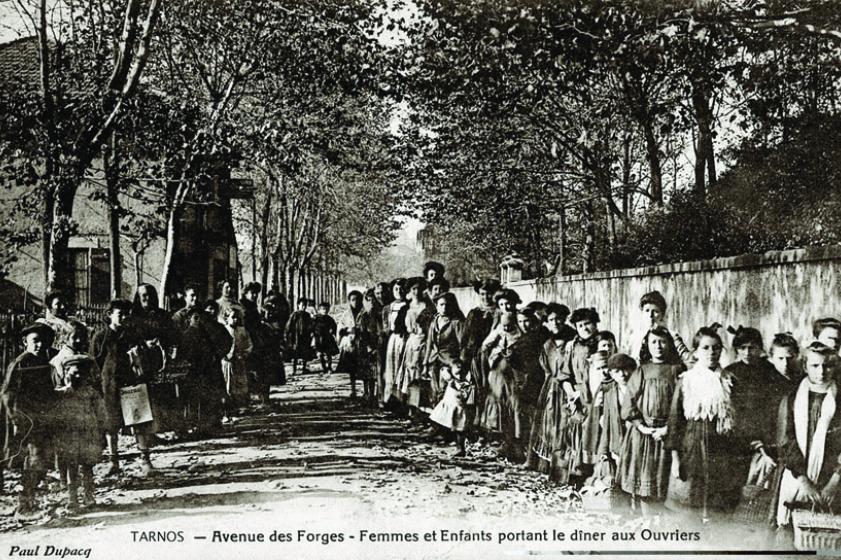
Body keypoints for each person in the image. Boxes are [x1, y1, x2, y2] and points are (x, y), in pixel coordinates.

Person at [665, 326, 740, 518]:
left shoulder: (730, 381)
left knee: (719, 509)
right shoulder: (687, 381)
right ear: (696, 352)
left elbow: (737, 421)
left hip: (721, 450)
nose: (711, 352)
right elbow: (675, 422)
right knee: (691, 509)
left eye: (716, 348)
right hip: (693, 447)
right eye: (705, 348)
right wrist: (675, 460)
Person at [776, 342, 841, 527]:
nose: (821, 371)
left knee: (828, 534)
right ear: (805, 366)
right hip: (798, 475)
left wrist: (835, 480)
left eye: (827, 365)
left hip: (834, 478)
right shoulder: (792, 397)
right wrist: (803, 480)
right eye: (815, 365)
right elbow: (785, 440)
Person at [619, 327, 684, 513]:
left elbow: (682, 404)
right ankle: (647, 522)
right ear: (647, 344)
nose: (658, 346)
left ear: (669, 344)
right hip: (644, 435)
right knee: (645, 480)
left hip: (668, 434)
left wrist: (668, 429)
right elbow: (629, 403)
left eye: (662, 341)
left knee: (664, 481)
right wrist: (643, 428)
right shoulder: (641, 371)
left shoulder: (676, 370)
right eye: (654, 342)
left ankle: (663, 524)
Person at [726, 327, 796, 491]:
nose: (747, 352)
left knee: (759, 483)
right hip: (737, 434)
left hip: (763, 435)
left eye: (752, 347)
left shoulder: (771, 370)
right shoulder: (730, 372)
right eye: (742, 348)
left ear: (760, 348)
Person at [2, 323, 58, 521]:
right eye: (35, 341)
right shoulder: (20, 363)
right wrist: (16, 418)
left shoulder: (43, 361)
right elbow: (8, 394)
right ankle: (25, 505)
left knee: (41, 459)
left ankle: (29, 499)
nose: (39, 344)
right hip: (25, 420)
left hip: (42, 418)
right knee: (33, 458)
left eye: (43, 341)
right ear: (25, 342)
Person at [528, 303, 580, 478]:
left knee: (565, 426)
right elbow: (546, 369)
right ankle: (546, 465)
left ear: (565, 320)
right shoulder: (547, 344)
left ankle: (565, 470)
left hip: (568, 388)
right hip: (551, 388)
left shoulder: (573, 341)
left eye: (559, 319)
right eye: (551, 320)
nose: (555, 322)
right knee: (549, 424)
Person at [52, 355, 105, 512]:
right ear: (66, 372)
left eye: (82, 373)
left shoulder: (91, 393)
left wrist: (102, 431)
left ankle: (89, 495)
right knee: (71, 466)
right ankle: (72, 498)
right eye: (74, 373)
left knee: (87, 465)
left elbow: (101, 413)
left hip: (88, 433)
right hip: (69, 435)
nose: (78, 376)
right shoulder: (61, 393)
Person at [90, 299, 133, 476]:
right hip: (109, 386)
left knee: (138, 421)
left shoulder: (130, 335)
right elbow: (94, 363)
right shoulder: (101, 337)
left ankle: (146, 460)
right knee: (111, 424)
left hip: (130, 383)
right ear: (110, 315)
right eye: (119, 314)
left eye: (125, 314)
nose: (123, 317)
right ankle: (113, 461)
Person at [562, 307, 601, 483]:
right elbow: (565, 376)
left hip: (597, 395)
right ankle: (578, 474)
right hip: (578, 398)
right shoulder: (572, 346)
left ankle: (597, 476)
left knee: (596, 434)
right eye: (580, 325)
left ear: (595, 324)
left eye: (588, 324)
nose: (585, 328)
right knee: (578, 434)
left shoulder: (604, 343)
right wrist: (571, 394)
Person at [502, 308, 545, 463]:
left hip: (535, 382)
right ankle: (519, 452)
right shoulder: (520, 339)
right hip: (521, 381)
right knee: (518, 416)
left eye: (526, 320)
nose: (524, 324)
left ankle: (532, 456)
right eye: (520, 321)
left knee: (532, 418)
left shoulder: (539, 337)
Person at [461, 279, 501, 433]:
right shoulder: (474, 313)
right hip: (475, 357)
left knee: (490, 390)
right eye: (483, 294)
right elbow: (465, 338)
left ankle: (489, 427)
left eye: (489, 293)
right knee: (474, 390)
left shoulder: (499, 313)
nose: (486, 297)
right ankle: (472, 426)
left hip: (492, 357)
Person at [480, 312, 522, 440]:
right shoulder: (498, 331)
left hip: (513, 369)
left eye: (509, 325)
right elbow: (486, 344)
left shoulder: (519, 333)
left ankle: (515, 434)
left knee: (512, 400)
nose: (506, 328)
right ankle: (496, 429)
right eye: (504, 326)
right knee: (496, 396)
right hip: (497, 367)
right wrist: (495, 350)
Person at [398, 279, 434, 410]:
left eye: (419, 288)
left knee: (421, 374)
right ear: (410, 291)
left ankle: (422, 408)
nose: (416, 291)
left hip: (424, 341)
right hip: (411, 342)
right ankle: (410, 408)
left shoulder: (427, 307)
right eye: (413, 289)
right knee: (410, 373)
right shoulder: (407, 307)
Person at [424, 292, 465, 406]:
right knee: (434, 387)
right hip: (434, 359)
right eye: (441, 305)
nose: (444, 308)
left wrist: (459, 363)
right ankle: (433, 416)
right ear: (436, 306)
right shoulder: (435, 321)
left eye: (447, 305)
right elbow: (429, 343)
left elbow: (462, 344)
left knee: (444, 388)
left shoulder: (456, 323)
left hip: (449, 360)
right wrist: (425, 361)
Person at [629, 291, 691, 365]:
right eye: (647, 311)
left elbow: (686, 356)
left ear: (662, 314)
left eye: (655, 311)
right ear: (642, 313)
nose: (650, 315)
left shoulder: (671, 335)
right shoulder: (636, 338)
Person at [429, 361, 476, 457]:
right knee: (443, 423)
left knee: (459, 430)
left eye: (461, 373)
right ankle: (449, 439)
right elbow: (444, 372)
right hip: (449, 407)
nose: (459, 376)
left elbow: (464, 396)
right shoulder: (452, 380)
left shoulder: (464, 384)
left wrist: (461, 392)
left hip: (458, 410)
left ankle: (461, 448)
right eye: (456, 374)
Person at [221, 307, 252, 420]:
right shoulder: (223, 330)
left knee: (240, 384)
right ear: (226, 318)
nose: (235, 320)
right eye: (232, 317)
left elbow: (249, 344)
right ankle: (226, 411)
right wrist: (225, 355)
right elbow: (219, 345)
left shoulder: (242, 331)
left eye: (236, 317)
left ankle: (239, 408)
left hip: (239, 361)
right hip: (227, 362)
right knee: (228, 385)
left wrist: (245, 353)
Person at [382, 281, 408, 407]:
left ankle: (401, 399)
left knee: (400, 366)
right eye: (396, 289)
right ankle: (389, 398)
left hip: (403, 338)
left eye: (401, 288)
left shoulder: (407, 305)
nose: (399, 291)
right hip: (392, 338)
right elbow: (385, 325)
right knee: (390, 367)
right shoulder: (389, 307)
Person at [337, 290, 364, 383]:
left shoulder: (364, 312)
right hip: (350, 340)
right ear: (349, 301)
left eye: (358, 299)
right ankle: (352, 381)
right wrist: (344, 331)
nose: (355, 302)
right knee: (351, 362)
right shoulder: (346, 314)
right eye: (353, 300)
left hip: (362, 339)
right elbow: (341, 325)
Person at [286, 297, 315, 375]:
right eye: (302, 305)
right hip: (296, 336)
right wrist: (288, 334)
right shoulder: (294, 314)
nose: (303, 307)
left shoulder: (307, 315)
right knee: (295, 352)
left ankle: (304, 368)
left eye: (305, 305)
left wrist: (311, 332)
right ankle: (294, 369)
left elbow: (311, 325)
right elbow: (289, 325)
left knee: (305, 352)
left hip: (305, 336)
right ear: (298, 305)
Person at [312, 302, 340, 374]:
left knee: (329, 353)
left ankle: (329, 367)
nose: (325, 311)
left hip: (328, 338)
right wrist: (313, 333)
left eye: (327, 309)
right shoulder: (316, 318)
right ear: (319, 310)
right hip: (319, 338)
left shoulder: (329, 318)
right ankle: (324, 367)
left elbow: (334, 326)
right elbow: (312, 327)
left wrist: (333, 331)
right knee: (320, 353)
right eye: (323, 309)